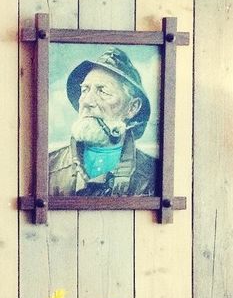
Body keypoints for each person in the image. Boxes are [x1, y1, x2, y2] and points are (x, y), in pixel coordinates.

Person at [47, 48, 156, 197]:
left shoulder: (152, 175)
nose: (86, 101)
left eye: (102, 91)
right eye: (85, 90)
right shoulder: (48, 167)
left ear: (132, 108)